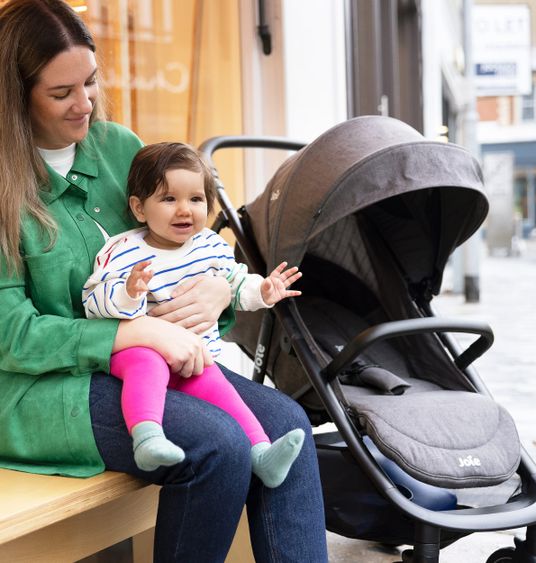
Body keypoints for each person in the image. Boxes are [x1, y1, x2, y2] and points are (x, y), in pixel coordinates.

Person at [0, 1, 328, 561]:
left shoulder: (119, 148)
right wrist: (134, 335)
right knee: (217, 446)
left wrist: (220, 291)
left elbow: (182, 245)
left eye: (92, 82)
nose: (86, 104)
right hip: (41, 387)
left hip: (150, 366)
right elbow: (11, 333)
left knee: (287, 426)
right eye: (62, 94)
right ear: (15, 95)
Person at [82, 142, 305, 486]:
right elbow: (93, 301)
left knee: (223, 390)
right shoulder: (124, 250)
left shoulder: (210, 247)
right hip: (138, 351)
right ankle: (147, 437)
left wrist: (262, 291)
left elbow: (236, 282)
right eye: (169, 199)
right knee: (147, 364)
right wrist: (128, 292)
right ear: (139, 208)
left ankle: (261, 453)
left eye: (196, 199)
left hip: (193, 357)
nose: (184, 210)